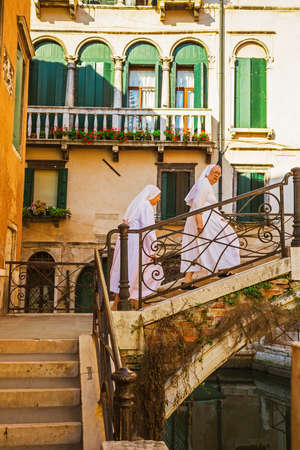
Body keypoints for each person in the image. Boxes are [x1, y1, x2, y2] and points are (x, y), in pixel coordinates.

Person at [180, 164, 240, 289]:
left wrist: (218, 216)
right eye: (215, 173)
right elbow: (197, 204)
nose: (217, 176)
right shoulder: (204, 183)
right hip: (202, 221)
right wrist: (200, 223)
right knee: (228, 238)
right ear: (208, 172)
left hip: (204, 219)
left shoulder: (204, 184)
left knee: (196, 247)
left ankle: (187, 279)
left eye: (219, 174)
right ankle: (223, 269)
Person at [110, 184, 163, 310]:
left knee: (130, 271)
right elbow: (148, 229)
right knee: (140, 270)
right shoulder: (146, 206)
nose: (159, 199)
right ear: (152, 196)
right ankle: (135, 299)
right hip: (135, 243)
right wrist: (153, 248)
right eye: (158, 196)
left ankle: (126, 300)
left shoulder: (138, 205)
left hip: (128, 240)